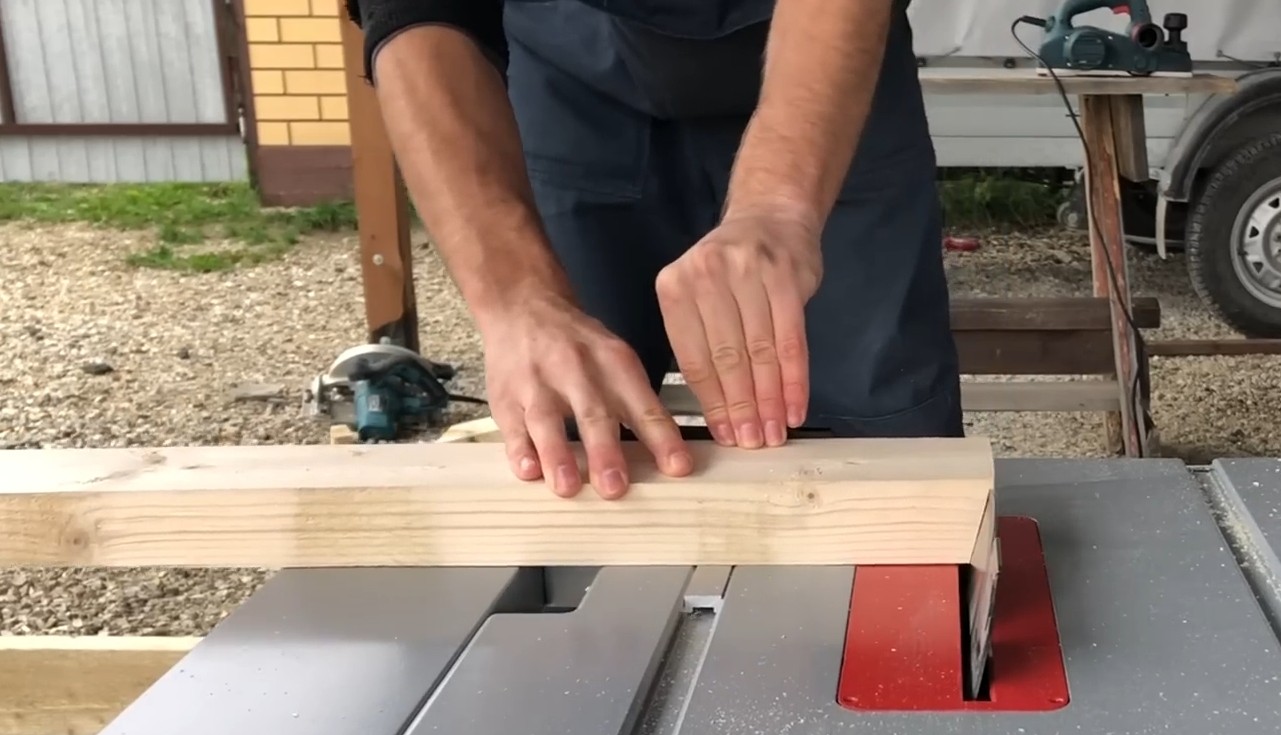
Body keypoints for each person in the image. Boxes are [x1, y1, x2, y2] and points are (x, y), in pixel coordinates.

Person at [346, 0, 964, 500]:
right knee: (567, 435)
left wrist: (778, 204)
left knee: (893, 459)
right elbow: (415, 11)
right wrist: (514, 297)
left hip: (828, 52)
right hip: (568, 66)